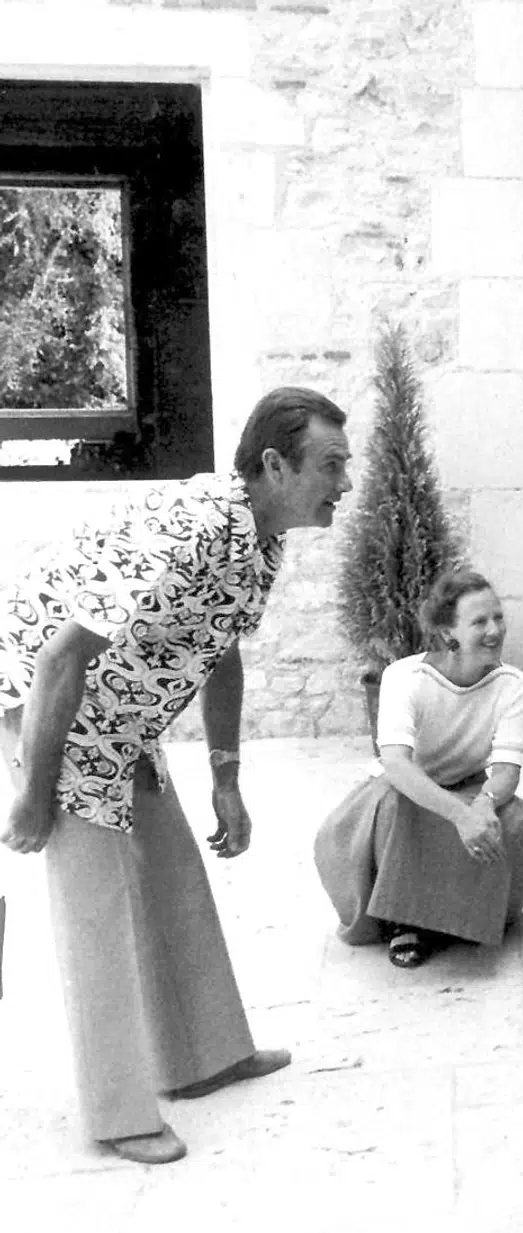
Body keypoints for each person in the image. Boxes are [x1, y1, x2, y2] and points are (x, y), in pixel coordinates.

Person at [0, 386, 354, 1165]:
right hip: (51, 704)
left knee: (170, 871)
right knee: (96, 909)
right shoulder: (191, 527)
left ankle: (202, 1059)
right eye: (332, 465)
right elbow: (60, 656)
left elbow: (219, 648)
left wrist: (226, 775)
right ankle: (120, 1115)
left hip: (119, 713)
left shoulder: (259, 541)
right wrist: (34, 792)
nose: (345, 484)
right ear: (274, 464)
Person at [314, 568, 523, 969]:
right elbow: (396, 764)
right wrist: (460, 813)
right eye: (479, 621)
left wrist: (482, 807)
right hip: (408, 788)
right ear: (447, 632)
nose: (494, 630)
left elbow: (507, 770)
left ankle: (457, 916)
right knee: (397, 809)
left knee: (520, 828)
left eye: (498, 617)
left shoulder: (511, 684)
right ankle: (402, 920)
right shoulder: (404, 677)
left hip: (471, 787)